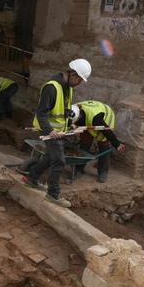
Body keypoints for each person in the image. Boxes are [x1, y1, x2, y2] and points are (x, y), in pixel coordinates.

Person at [23, 58, 93, 208]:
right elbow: (41, 113)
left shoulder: (68, 88)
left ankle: (32, 179)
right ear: (73, 74)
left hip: (59, 130)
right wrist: (50, 130)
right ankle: (53, 194)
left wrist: (70, 124)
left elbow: (63, 111)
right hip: (47, 129)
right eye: (80, 80)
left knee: (49, 157)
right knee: (59, 160)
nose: (80, 83)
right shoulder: (52, 87)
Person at [71, 100, 124, 183]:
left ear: (79, 117)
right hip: (88, 119)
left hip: (105, 119)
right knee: (84, 143)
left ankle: (103, 172)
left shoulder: (95, 119)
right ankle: (79, 169)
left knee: (103, 145)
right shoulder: (73, 109)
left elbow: (107, 131)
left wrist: (117, 144)